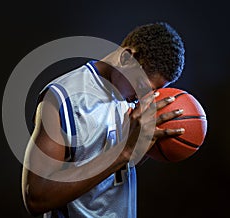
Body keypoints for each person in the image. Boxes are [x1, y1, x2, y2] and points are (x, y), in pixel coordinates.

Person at [21, 21, 185, 218]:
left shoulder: (135, 103)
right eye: (143, 85)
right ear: (126, 57)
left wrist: (143, 148)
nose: (145, 97)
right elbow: (36, 198)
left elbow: (116, 174)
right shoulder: (63, 98)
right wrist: (122, 152)